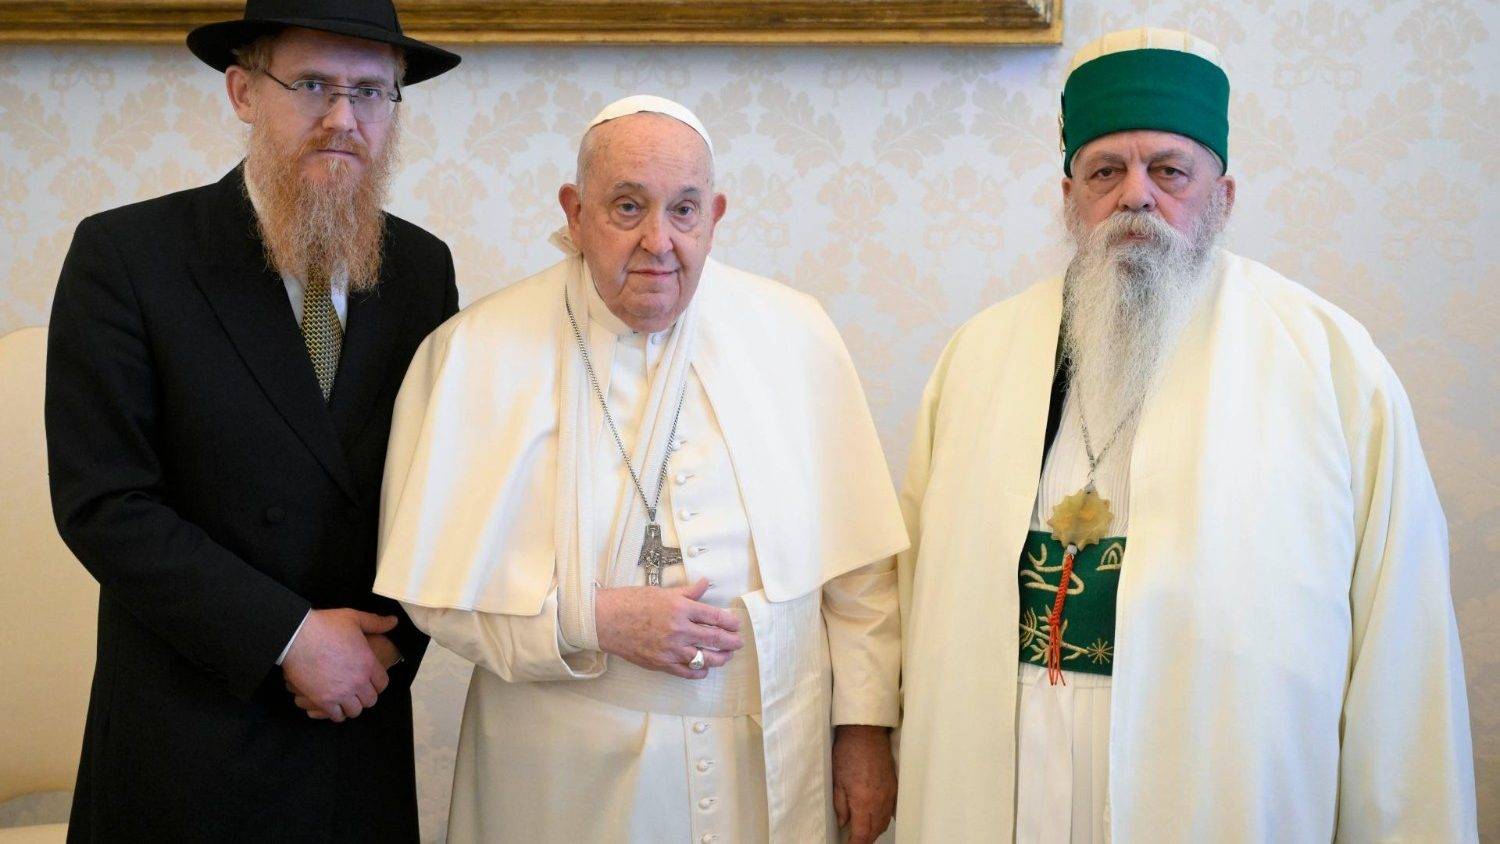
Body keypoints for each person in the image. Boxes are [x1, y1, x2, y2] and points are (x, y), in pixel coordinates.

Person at [893, 27, 1477, 842]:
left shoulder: (1329, 363)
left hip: (1222, 789)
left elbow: (1401, 648)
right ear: (1069, 199)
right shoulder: (978, 355)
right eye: (1106, 171)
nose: (1136, 196)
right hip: (1009, 778)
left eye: (1169, 170)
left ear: (1223, 195)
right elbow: (915, 588)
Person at [373, 95, 908, 843]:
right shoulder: (477, 351)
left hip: (767, 757)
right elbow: (437, 595)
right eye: (628, 207)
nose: (659, 240)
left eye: (684, 210)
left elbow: (859, 578)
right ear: (575, 210)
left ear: (714, 215)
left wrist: (862, 731)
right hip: (559, 770)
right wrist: (594, 619)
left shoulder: (794, 334)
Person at [44, 1, 460, 839]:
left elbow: (438, 485)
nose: (343, 118)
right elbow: (104, 503)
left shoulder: (421, 267)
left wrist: (384, 652)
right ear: (242, 91)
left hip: (355, 726)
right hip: (190, 736)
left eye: (372, 93)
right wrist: (288, 636)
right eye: (311, 84)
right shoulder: (127, 255)